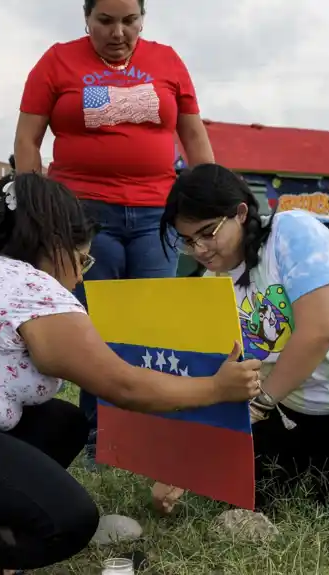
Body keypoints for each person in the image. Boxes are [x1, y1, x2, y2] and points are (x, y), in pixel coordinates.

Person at [0, 173, 262, 574]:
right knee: (68, 520)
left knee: (62, 422)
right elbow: (122, 385)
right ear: (54, 242)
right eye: (81, 260)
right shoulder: (31, 289)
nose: (79, 276)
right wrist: (214, 388)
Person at [153, 164, 329, 514]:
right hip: (289, 404)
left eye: (208, 232)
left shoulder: (292, 231)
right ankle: (314, 456)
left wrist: (258, 407)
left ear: (239, 213)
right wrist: (184, 466)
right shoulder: (212, 281)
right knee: (247, 495)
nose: (201, 249)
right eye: (189, 241)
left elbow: (318, 332)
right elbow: (217, 376)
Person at [14, 0, 216, 458]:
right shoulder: (56, 61)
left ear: (143, 18)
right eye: (105, 20)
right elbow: (27, 139)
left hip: (156, 217)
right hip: (83, 219)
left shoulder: (168, 62)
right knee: (94, 330)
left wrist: (216, 199)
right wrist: (33, 207)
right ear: (86, 18)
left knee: (152, 329)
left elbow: (194, 137)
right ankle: (99, 438)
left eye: (130, 20)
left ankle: (149, 435)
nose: (118, 31)